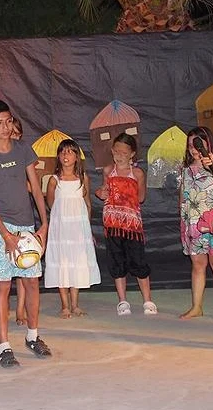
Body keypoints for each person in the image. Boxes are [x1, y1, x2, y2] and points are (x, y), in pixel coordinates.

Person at [0, 99, 51, 368]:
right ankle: (4, 346)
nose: (4, 127)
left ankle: (33, 336)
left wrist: (44, 224)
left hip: (27, 228)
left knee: (31, 282)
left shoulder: (23, 149)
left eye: (7, 121)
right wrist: (5, 235)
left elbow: (36, 189)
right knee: (2, 286)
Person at [95, 133, 155, 316]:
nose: (119, 154)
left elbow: (142, 197)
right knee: (117, 262)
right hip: (112, 224)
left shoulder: (137, 173)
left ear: (132, 154)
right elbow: (102, 191)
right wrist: (101, 193)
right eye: (117, 150)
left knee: (138, 262)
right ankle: (122, 300)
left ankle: (148, 300)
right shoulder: (108, 171)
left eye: (124, 151)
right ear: (112, 151)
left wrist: (128, 193)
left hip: (132, 226)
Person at [178, 127, 213, 321]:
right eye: (191, 144)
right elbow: (182, 196)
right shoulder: (185, 169)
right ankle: (196, 306)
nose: (194, 149)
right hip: (194, 222)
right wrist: (184, 222)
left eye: (198, 144)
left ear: (207, 144)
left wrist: (212, 166)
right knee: (198, 265)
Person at [43, 139, 100, 318]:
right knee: (63, 263)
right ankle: (65, 306)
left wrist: (87, 230)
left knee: (76, 263)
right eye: (62, 152)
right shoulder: (54, 180)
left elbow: (88, 204)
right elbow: (52, 203)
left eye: (69, 152)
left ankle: (75, 304)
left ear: (77, 156)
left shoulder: (83, 179)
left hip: (78, 230)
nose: (65, 155)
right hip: (61, 230)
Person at [9, 117, 28, 326]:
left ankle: (20, 309)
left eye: (15, 133)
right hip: (2, 217)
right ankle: (3, 303)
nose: (10, 135)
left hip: (22, 214)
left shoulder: (24, 155)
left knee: (23, 263)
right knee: (5, 266)